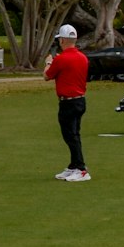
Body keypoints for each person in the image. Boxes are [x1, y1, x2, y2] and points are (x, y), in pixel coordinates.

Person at [44, 24, 90, 181]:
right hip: (80, 101)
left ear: (62, 40)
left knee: (70, 136)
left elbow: (46, 76)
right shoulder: (83, 57)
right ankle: (74, 165)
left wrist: (49, 62)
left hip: (67, 102)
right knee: (74, 134)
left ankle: (81, 168)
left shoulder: (60, 59)